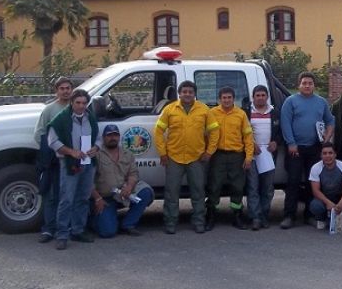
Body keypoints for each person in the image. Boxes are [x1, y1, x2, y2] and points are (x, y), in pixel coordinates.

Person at [154, 80, 219, 235]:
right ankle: (170, 222)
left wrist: (209, 152)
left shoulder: (204, 110)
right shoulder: (170, 109)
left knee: (198, 192)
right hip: (174, 158)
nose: (187, 94)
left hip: (196, 158)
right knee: (171, 193)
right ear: (179, 93)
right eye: (184, 91)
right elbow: (158, 131)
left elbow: (215, 131)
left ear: (195, 93)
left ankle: (199, 222)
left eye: (190, 91)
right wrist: (163, 153)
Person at [280, 72, 335, 229]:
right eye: (304, 83)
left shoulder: (321, 102)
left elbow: (330, 121)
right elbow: (285, 123)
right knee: (293, 182)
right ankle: (289, 216)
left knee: (313, 183)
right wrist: (291, 143)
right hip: (295, 149)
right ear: (299, 85)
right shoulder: (290, 102)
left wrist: (327, 139)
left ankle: (310, 215)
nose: (307, 85)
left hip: (315, 148)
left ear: (314, 85)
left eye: (310, 83)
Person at [47, 88, 100, 250]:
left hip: (87, 162)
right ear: (72, 102)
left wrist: (96, 148)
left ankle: (78, 230)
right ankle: (62, 234)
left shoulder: (90, 117)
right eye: (78, 102)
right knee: (67, 199)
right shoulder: (61, 119)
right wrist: (71, 152)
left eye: (84, 103)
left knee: (83, 198)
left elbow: (98, 137)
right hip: (69, 163)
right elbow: (52, 142)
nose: (81, 106)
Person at [89, 125, 153, 237]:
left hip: (123, 193)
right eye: (109, 135)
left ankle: (128, 224)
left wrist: (129, 186)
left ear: (119, 137)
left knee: (145, 192)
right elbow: (87, 180)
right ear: (103, 138)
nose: (112, 138)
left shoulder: (127, 154)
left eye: (115, 135)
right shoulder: (96, 155)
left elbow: (133, 174)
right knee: (107, 232)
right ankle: (92, 219)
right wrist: (97, 198)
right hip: (105, 197)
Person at [206, 86, 255, 231]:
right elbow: (206, 134)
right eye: (224, 98)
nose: (226, 100)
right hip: (218, 155)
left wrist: (249, 157)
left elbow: (248, 136)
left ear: (234, 99)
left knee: (237, 186)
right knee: (214, 186)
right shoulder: (212, 113)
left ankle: (237, 216)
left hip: (236, 156)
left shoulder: (240, 114)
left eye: (229, 98)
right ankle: (210, 215)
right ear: (219, 99)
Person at [34, 76, 72, 244]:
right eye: (62, 88)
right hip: (53, 161)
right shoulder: (49, 110)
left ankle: (66, 229)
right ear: (56, 91)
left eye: (68, 88)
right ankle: (49, 229)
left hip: (72, 160)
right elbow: (39, 133)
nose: (65, 91)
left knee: (67, 195)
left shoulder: (77, 107)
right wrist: (51, 151)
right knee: (51, 196)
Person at [245, 85, 282, 230]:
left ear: (267, 97)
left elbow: (282, 132)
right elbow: (242, 132)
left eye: (263, 95)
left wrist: (276, 142)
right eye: (257, 95)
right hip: (252, 154)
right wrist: (251, 144)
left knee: (267, 188)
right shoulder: (246, 112)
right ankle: (255, 217)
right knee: (253, 187)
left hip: (268, 155)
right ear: (253, 97)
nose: (260, 98)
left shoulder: (275, 113)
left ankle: (264, 216)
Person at [308, 142, 342, 230]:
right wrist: (328, 203)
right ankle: (321, 219)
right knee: (315, 205)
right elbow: (315, 191)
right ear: (321, 155)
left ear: (335, 154)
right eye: (324, 153)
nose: (327, 156)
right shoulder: (315, 168)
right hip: (324, 199)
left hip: (339, 197)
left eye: (330, 153)